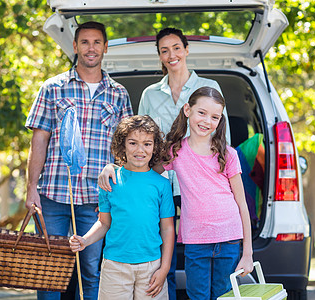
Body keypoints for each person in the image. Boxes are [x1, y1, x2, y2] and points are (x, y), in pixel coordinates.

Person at [100, 87, 253, 300]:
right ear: (187, 110)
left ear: (220, 120)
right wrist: (113, 168)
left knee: (224, 296)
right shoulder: (176, 151)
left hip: (229, 238)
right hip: (196, 241)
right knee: (197, 295)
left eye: (214, 117)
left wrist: (248, 253)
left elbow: (241, 204)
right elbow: (141, 171)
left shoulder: (228, 154)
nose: (207, 121)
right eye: (202, 112)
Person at [25, 21, 133, 300]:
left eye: (97, 42)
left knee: (91, 273)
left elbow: (125, 148)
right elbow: (39, 140)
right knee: (50, 273)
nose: (91, 48)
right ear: (75, 46)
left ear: (105, 47)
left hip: (97, 200)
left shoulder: (118, 93)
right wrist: (31, 188)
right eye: (85, 42)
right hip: (53, 195)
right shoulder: (52, 88)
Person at [138, 27, 230, 299]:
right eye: (164, 50)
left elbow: (221, 138)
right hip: (161, 182)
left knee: (197, 250)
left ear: (186, 50)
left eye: (176, 48)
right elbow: (142, 140)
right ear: (159, 56)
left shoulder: (209, 87)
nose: (171, 54)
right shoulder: (149, 94)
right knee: (161, 245)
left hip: (199, 185)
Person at [69, 115, 175, 300]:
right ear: (122, 145)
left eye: (147, 144)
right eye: (133, 143)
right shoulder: (109, 180)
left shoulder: (162, 184)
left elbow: (167, 229)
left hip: (151, 266)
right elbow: (103, 223)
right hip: (115, 266)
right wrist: (85, 240)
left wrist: (164, 269)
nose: (140, 150)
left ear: (155, 147)